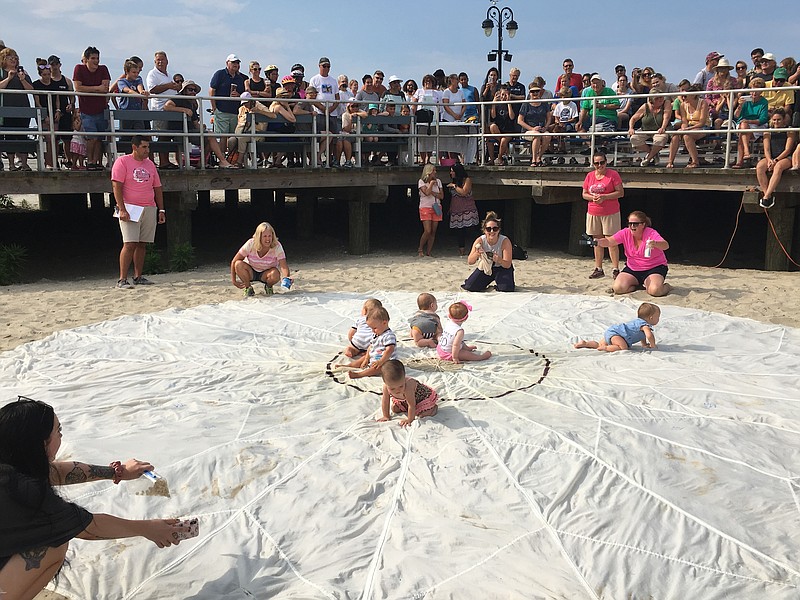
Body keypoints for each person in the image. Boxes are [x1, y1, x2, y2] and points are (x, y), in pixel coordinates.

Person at [0, 397, 195, 600]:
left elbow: (55, 471)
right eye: (58, 431)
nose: (61, 436)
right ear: (42, 443)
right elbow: (90, 527)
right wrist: (151, 529)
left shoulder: (10, 466)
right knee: (54, 545)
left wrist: (116, 472)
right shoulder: (23, 492)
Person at [112, 136, 165, 289]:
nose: (147, 151)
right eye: (144, 147)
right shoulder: (122, 162)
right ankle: (122, 279)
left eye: (148, 147)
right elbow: (117, 186)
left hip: (149, 206)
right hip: (130, 207)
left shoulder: (150, 164)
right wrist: (122, 208)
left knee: (142, 244)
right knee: (129, 243)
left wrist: (161, 209)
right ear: (134, 147)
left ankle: (138, 276)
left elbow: (157, 187)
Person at [594, 210, 671, 296]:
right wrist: (598, 242)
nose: (632, 226)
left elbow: (666, 245)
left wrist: (656, 244)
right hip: (633, 268)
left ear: (643, 224)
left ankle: (667, 287)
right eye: (630, 223)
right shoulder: (625, 232)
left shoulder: (651, 233)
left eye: (635, 224)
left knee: (655, 291)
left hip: (653, 267)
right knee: (618, 288)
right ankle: (637, 286)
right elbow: (610, 241)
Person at [162, 80, 234, 168]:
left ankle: (202, 162)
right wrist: (184, 110)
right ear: (184, 90)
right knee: (210, 136)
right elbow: (167, 106)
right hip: (180, 132)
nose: (193, 92)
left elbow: (195, 123)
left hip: (190, 131)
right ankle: (222, 161)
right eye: (190, 90)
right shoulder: (179, 98)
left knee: (210, 137)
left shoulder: (193, 103)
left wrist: (203, 129)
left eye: (194, 90)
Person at [583, 151, 623, 279]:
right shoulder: (590, 176)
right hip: (594, 211)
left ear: (606, 162)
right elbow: (584, 193)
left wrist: (605, 197)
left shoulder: (613, 175)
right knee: (597, 241)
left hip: (610, 212)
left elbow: (620, 192)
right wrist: (592, 198)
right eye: (596, 163)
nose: (599, 165)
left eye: (602, 162)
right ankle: (598, 268)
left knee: (611, 241)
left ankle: (615, 268)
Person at [72, 46, 111, 171]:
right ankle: (90, 161)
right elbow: (78, 88)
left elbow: (105, 88)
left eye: (97, 58)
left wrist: (91, 88)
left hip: (101, 109)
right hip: (86, 110)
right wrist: (97, 88)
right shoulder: (79, 69)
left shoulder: (103, 69)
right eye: (93, 58)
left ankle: (96, 162)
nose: (96, 61)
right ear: (86, 59)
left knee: (99, 138)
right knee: (91, 137)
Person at [230, 221, 291, 297]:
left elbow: (283, 265)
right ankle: (248, 287)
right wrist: (234, 281)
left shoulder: (277, 246)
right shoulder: (250, 243)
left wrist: (286, 278)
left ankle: (268, 287)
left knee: (275, 274)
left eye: (270, 236)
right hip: (250, 271)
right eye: (265, 236)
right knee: (238, 264)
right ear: (259, 236)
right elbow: (234, 261)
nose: (268, 239)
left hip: (266, 273)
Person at [574, 302, 660, 352]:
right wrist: (653, 345)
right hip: (618, 335)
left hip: (612, 332)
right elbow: (649, 335)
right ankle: (606, 348)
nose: (658, 319)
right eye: (658, 317)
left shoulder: (638, 322)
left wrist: (644, 344)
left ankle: (585, 344)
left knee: (599, 344)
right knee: (623, 347)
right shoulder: (645, 326)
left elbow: (642, 335)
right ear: (651, 318)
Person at [0, 47, 34, 171]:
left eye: (15, 58)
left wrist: (22, 79)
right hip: (7, 109)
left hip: (23, 108)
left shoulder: (23, 72)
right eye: (10, 58)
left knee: (23, 136)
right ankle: (11, 164)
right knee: (9, 136)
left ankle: (24, 163)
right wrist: (9, 78)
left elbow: (31, 90)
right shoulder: (1, 72)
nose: (13, 60)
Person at [463, 211, 515, 292]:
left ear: (499, 230)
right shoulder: (480, 240)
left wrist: (499, 260)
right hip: (486, 267)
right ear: (484, 230)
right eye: (488, 229)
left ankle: (499, 284)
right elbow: (470, 261)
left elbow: (507, 264)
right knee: (469, 286)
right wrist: (477, 253)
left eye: (495, 229)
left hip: (501, 268)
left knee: (507, 288)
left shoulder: (505, 241)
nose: (492, 231)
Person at [145, 51, 181, 169]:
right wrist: (169, 86)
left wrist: (176, 87)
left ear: (167, 61)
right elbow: (152, 90)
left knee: (169, 135)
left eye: (162, 59)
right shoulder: (152, 74)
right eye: (158, 60)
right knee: (162, 135)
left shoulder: (169, 75)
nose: (160, 62)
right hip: (160, 110)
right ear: (155, 62)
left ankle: (169, 161)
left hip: (171, 110)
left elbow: (172, 88)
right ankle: (163, 161)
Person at [755, 108, 796, 209]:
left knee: (778, 167)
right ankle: (767, 195)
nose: (776, 122)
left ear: (783, 120)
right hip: (771, 157)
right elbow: (767, 149)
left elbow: (787, 149)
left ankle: (767, 196)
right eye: (774, 120)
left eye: (778, 120)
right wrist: (769, 160)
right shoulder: (768, 132)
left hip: (785, 157)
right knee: (760, 166)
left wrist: (776, 160)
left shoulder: (789, 131)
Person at [378, 360, 439, 427]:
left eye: (401, 386)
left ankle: (433, 408)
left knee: (422, 415)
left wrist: (410, 419)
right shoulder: (386, 387)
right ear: (385, 382)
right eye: (392, 389)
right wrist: (386, 416)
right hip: (406, 400)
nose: (397, 390)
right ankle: (406, 407)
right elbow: (385, 402)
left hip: (420, 399)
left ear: (404, 378)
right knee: (394, 408)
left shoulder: (408, 386)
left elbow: (411, 405)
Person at [209, 54, 246, 160]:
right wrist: (214, 108)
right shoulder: (220, 74)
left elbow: (244, 94)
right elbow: (212, 90)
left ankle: (231, 159)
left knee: (234, 136)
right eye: (233, 62)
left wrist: (239, 95)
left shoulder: (240, 78)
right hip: (222, 110)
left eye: (237, 62)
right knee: (223, 136)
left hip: (235, 112)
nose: (236, 64)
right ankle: (222, 160)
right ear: (227, 63)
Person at [666, 84, 709, 169]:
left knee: (687, 136)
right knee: (676, 135)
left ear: (693, 95)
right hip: (690, 126)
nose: (683, 98)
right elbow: (684, 121)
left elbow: (702, 122)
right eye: (682, 96)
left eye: (685, 96)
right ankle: (670, 161)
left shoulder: (703, 103)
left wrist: (687, 129)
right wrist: (683, 128)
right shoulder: (683, 105)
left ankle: (695, 161)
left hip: (703, 127)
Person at [347, 306, 396, 379]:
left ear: (384, 323)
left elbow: (390, 349)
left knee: (380, 368)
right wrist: (367, 358)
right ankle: (348, 366)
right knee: (363, 358)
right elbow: (371, 346)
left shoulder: (389, 335)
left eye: (374, 328)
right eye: (371, 328)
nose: (372, 330)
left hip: (386, 361)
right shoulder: (376, 334)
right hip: (374, 357)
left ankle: (359, 374)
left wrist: (381, 361)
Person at [731, 78, 768, 168]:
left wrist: (748, 121)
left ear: (761, 91)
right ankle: (746, 152)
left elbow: (762, 119)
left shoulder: (764, 102)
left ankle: (740, 161)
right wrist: (740, 105)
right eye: (752, 90)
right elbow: (736, 115)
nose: (754, 93)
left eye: (757, 90)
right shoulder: (745, 101)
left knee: (742, 132)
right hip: (743, 124)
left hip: (756, 125)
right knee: (743, 127)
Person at [628, 94, 673, 167]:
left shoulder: (666, 103)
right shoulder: (645, 106)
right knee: (634, 139)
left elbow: (666, 117)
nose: (660, 99)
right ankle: (654, 154)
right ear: (652, 100)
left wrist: (663, 127)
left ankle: (648, 158)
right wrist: (631, 128)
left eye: (661, 97)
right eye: (657, 98)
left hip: (659, 130)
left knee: (660, 140)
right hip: (645, 129)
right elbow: (633, 118)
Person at [447, 163, 479, 256]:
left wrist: (454, 186)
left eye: (452, 171)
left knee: (471, 229)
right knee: (459, 231)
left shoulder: (467, 180)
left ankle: (479, 247)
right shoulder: (455, 180)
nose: (451, 173)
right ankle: (461, 250)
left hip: (467, 210)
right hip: (456, 210)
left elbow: (464, 192)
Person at [517, 83, 551, 167]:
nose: (535, 93)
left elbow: (549, 118)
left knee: (548, 136)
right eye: (533, 92)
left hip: (541, 129)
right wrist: (532, 129)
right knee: (537, 135)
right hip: (528, 131)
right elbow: (520, 121)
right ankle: (534, 159)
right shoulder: (526, 104)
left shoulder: (544, 104)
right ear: (529, 93)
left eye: (537, 91)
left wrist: (546, 127)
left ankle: (539, 157)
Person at [417, 164, 444, 257]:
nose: (435, 172)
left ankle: (429, 252)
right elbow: (427, 192)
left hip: (436, 206)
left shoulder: (439, 181)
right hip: (425, 207)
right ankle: (420, 248)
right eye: (433, 170)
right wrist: (432, 184)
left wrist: (433, 192)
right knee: (427, 230)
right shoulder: (421, 182)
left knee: (433, 231)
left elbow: (442, 196)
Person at [488, 85, 517, 165]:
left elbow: (512, 117)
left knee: (504, 140)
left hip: (509, 130)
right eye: (503, 95)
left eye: (506, 95)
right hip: (499, 130)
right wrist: (493, 103)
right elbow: (493, 116)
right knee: (492, 126)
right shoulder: (497, 105)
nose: (504, 97)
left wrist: (508, 103)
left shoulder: (512, 104)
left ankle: (500, 157)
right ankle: (506, 150)